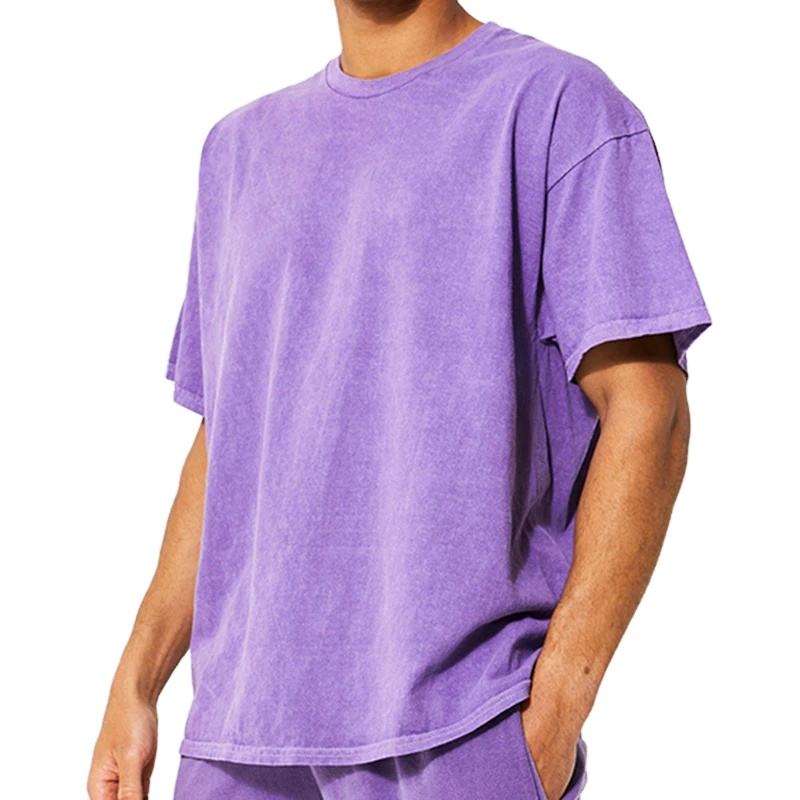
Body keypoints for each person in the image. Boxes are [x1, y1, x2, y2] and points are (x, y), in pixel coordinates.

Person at [88, 1, 710, 798]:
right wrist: (137, 682)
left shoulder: (557, 106)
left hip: (459, 730)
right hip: (238, 742)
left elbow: (648, 408)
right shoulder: (238, 151)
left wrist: (556, 709)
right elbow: (231, 442)